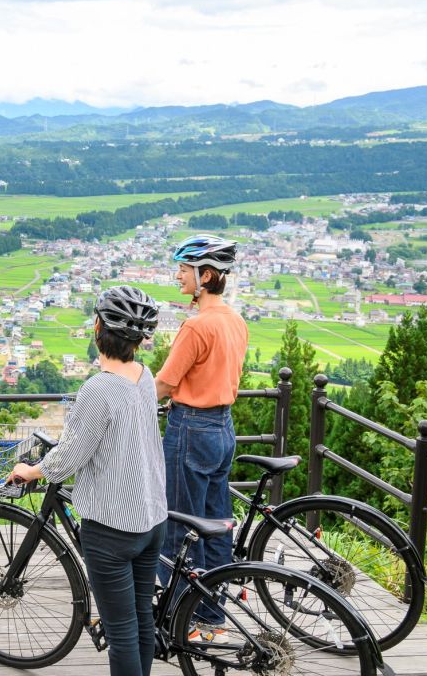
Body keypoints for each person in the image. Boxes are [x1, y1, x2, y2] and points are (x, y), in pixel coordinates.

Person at [10, 286, 166, 676]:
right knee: (142, 618)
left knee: (122, 631)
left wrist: (32, 470)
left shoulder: (97, 390)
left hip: (112, 529)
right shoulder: (143, 378)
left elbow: (70, 455)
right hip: (152, 518)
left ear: (97, 327)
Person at [154, 235, 248, 641]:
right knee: (215, 525)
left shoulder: (196, 326)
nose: (178, 275)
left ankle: (176, 617)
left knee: (177, 524)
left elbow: (164, 383)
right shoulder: (235, 320)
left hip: (190, 428)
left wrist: (123, 400)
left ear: (205, 276)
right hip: (223, 428)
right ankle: (211, 615)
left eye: (184, 269)